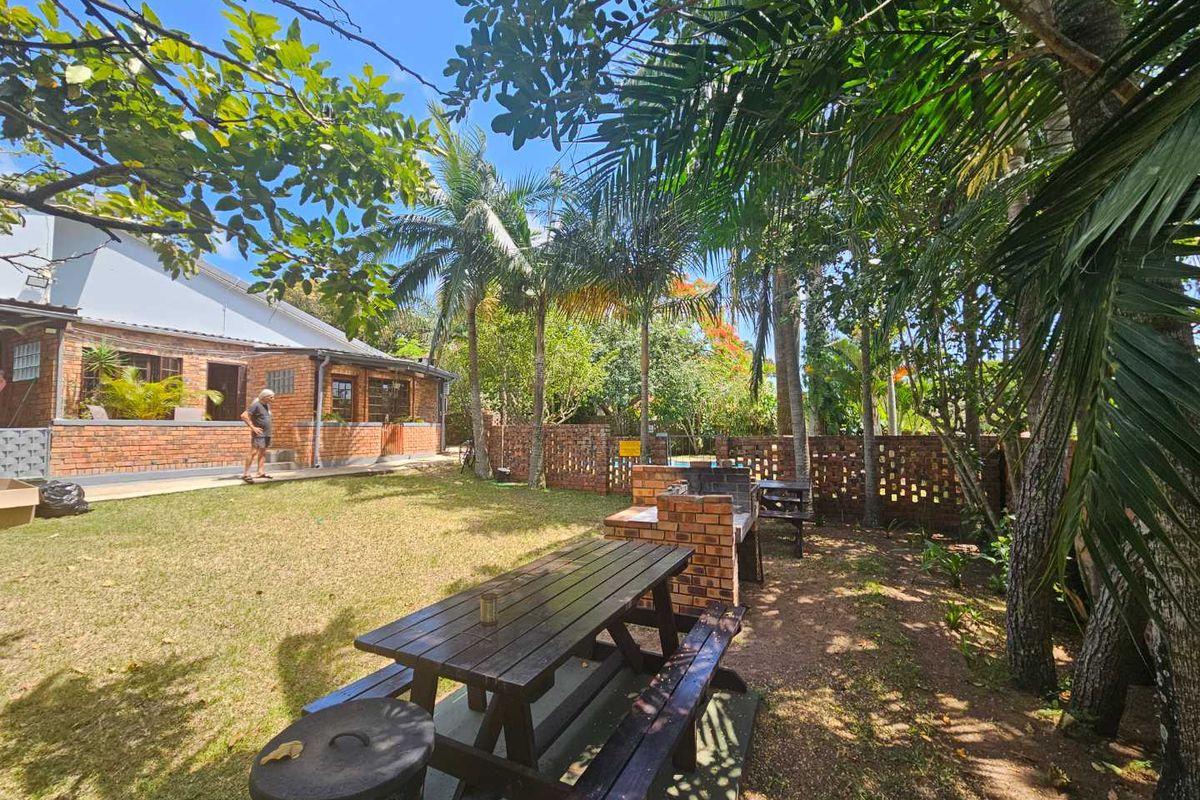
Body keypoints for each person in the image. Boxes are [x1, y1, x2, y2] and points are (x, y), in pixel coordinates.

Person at [240, 388, 275, 483]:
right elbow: (244, 416)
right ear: (265, 397)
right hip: (259, 434)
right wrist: (253, 427)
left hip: (267, 434)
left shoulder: (266, 406)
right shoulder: (256, 405)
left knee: (263, 453)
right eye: (271, 397)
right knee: (253, 452)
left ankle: (260, 472)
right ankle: (246, 474)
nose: (273, 399)